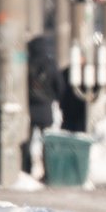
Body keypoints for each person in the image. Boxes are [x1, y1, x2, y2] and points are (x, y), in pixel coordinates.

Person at [22, 35, 63, 179]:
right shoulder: (50, 63)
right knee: (46, 142)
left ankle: (26, 171)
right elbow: (60, 85)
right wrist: (53, 98)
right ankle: (48, 172)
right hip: (46, 109)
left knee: (26, 142)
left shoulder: (26, 62)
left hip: (29, 108)